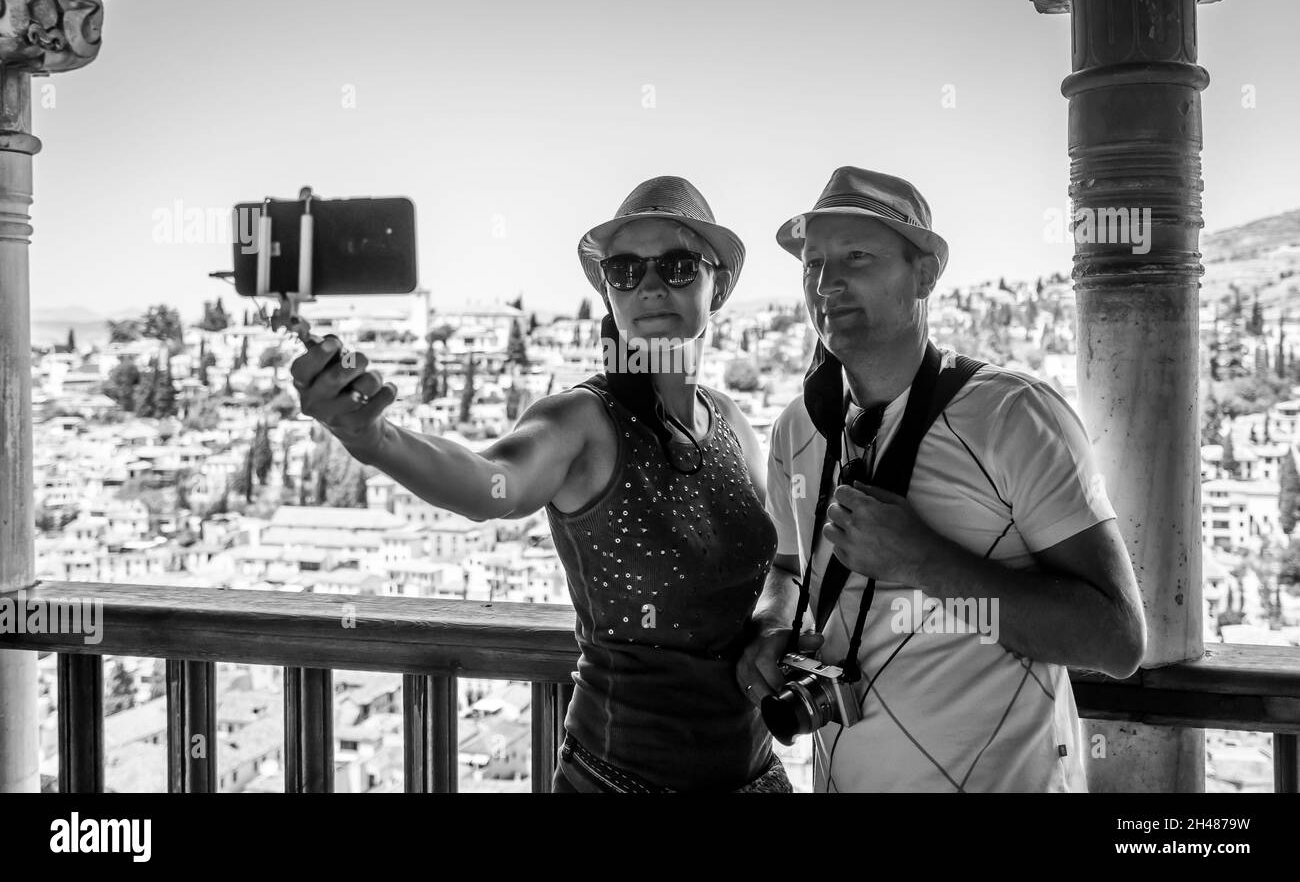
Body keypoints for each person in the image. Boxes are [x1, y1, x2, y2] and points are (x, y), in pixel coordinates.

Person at [292, 175, 789, 792]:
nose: (651, 284)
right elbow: (489, 483)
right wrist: (375, 439)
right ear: (610, 295)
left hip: (756, 775)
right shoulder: (582, 421)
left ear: (718, 287)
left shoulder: (733, 424)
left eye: (680, 265)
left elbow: (781, 564)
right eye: (626, 270)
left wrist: (772, 627)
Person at [737, 165, 1146, 792]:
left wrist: (924, 559)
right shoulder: (799, 427)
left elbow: (1117, 638)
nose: (827, 284)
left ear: (925, 274)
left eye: (857, 257)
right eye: (813, 263)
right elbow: (788, 571)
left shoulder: (1014, 415)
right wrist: (771, 625)